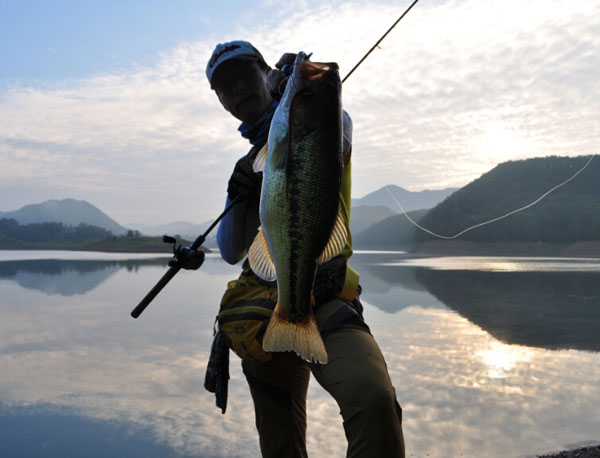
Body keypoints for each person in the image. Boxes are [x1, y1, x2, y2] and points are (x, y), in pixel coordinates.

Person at [205, 40, 405, 458]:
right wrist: (238, 195)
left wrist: (301, 96)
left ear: (267, 75)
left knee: (373, 398)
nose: (238, 88)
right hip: (262, 310)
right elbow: (231, 251)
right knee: (280, 442)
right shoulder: (250, 165)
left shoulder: (321, 125)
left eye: (246, 75)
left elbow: (339, 124)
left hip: (327, 295)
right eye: (226, 85)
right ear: (221, 101)